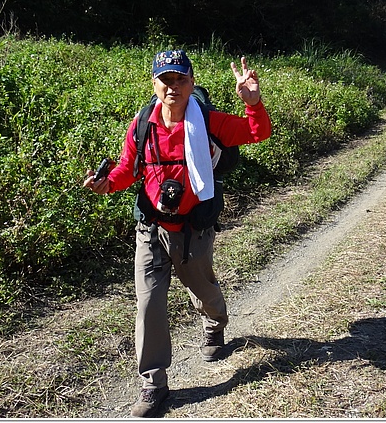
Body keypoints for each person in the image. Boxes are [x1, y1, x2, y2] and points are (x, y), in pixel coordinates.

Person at [83, 49, 272, 418]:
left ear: (191, 83)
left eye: (180, 79)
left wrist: (253, 102)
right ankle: (154, 383)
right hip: (151, 225)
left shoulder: (209, 121)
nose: (172, 87)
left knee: (202, 289)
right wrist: (108, 185)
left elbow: (256, 132)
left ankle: (215, 323)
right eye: (165, 80)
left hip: (191, 229)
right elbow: (128, 167)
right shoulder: (142, 124)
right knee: (149, 302)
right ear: (154, 85)